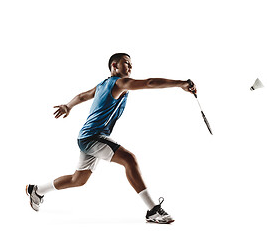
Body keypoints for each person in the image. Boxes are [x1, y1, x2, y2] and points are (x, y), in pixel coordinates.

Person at [26, 53, 196, 224]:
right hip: (93, 137)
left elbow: (82, 96)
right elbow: (149, 83)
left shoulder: (102, 85)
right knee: (129, 159)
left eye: (131, 64)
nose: (130, 67)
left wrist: (68, 106)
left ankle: (37, 190)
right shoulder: (120, 82)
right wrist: (181, 84)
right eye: (126, 63)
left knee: (77, 180)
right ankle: (152, 210)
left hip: (87, 137)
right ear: (114, 65)